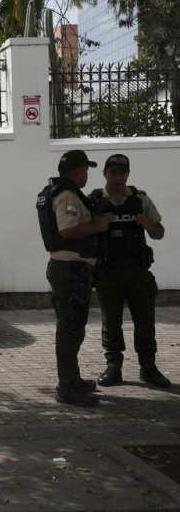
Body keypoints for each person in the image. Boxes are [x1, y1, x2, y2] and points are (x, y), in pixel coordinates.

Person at [36, 150, 115, 407]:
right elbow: (68, 229)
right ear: (79, 171)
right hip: (71, 271)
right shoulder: (68, 196)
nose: (87, 175)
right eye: (86, 171)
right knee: (70, 330)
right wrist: (99, 226)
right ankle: (67, 388)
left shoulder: (61, 192)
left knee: (73, 328)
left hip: (70, 270)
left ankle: (73, 379)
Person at [89, 154, 169, 388]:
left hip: (137, 272)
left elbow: (159, 232)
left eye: (122, 172)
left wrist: (145, 223)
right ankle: (113, 367)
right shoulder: (94, 201)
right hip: (108, 274)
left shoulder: (139, 200)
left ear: (128, 174)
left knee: (145, 321)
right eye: (113, 172)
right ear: (104, 173)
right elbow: (81, 232)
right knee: (111, 322)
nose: (118, 176)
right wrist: (98, 223)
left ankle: (148, 367)